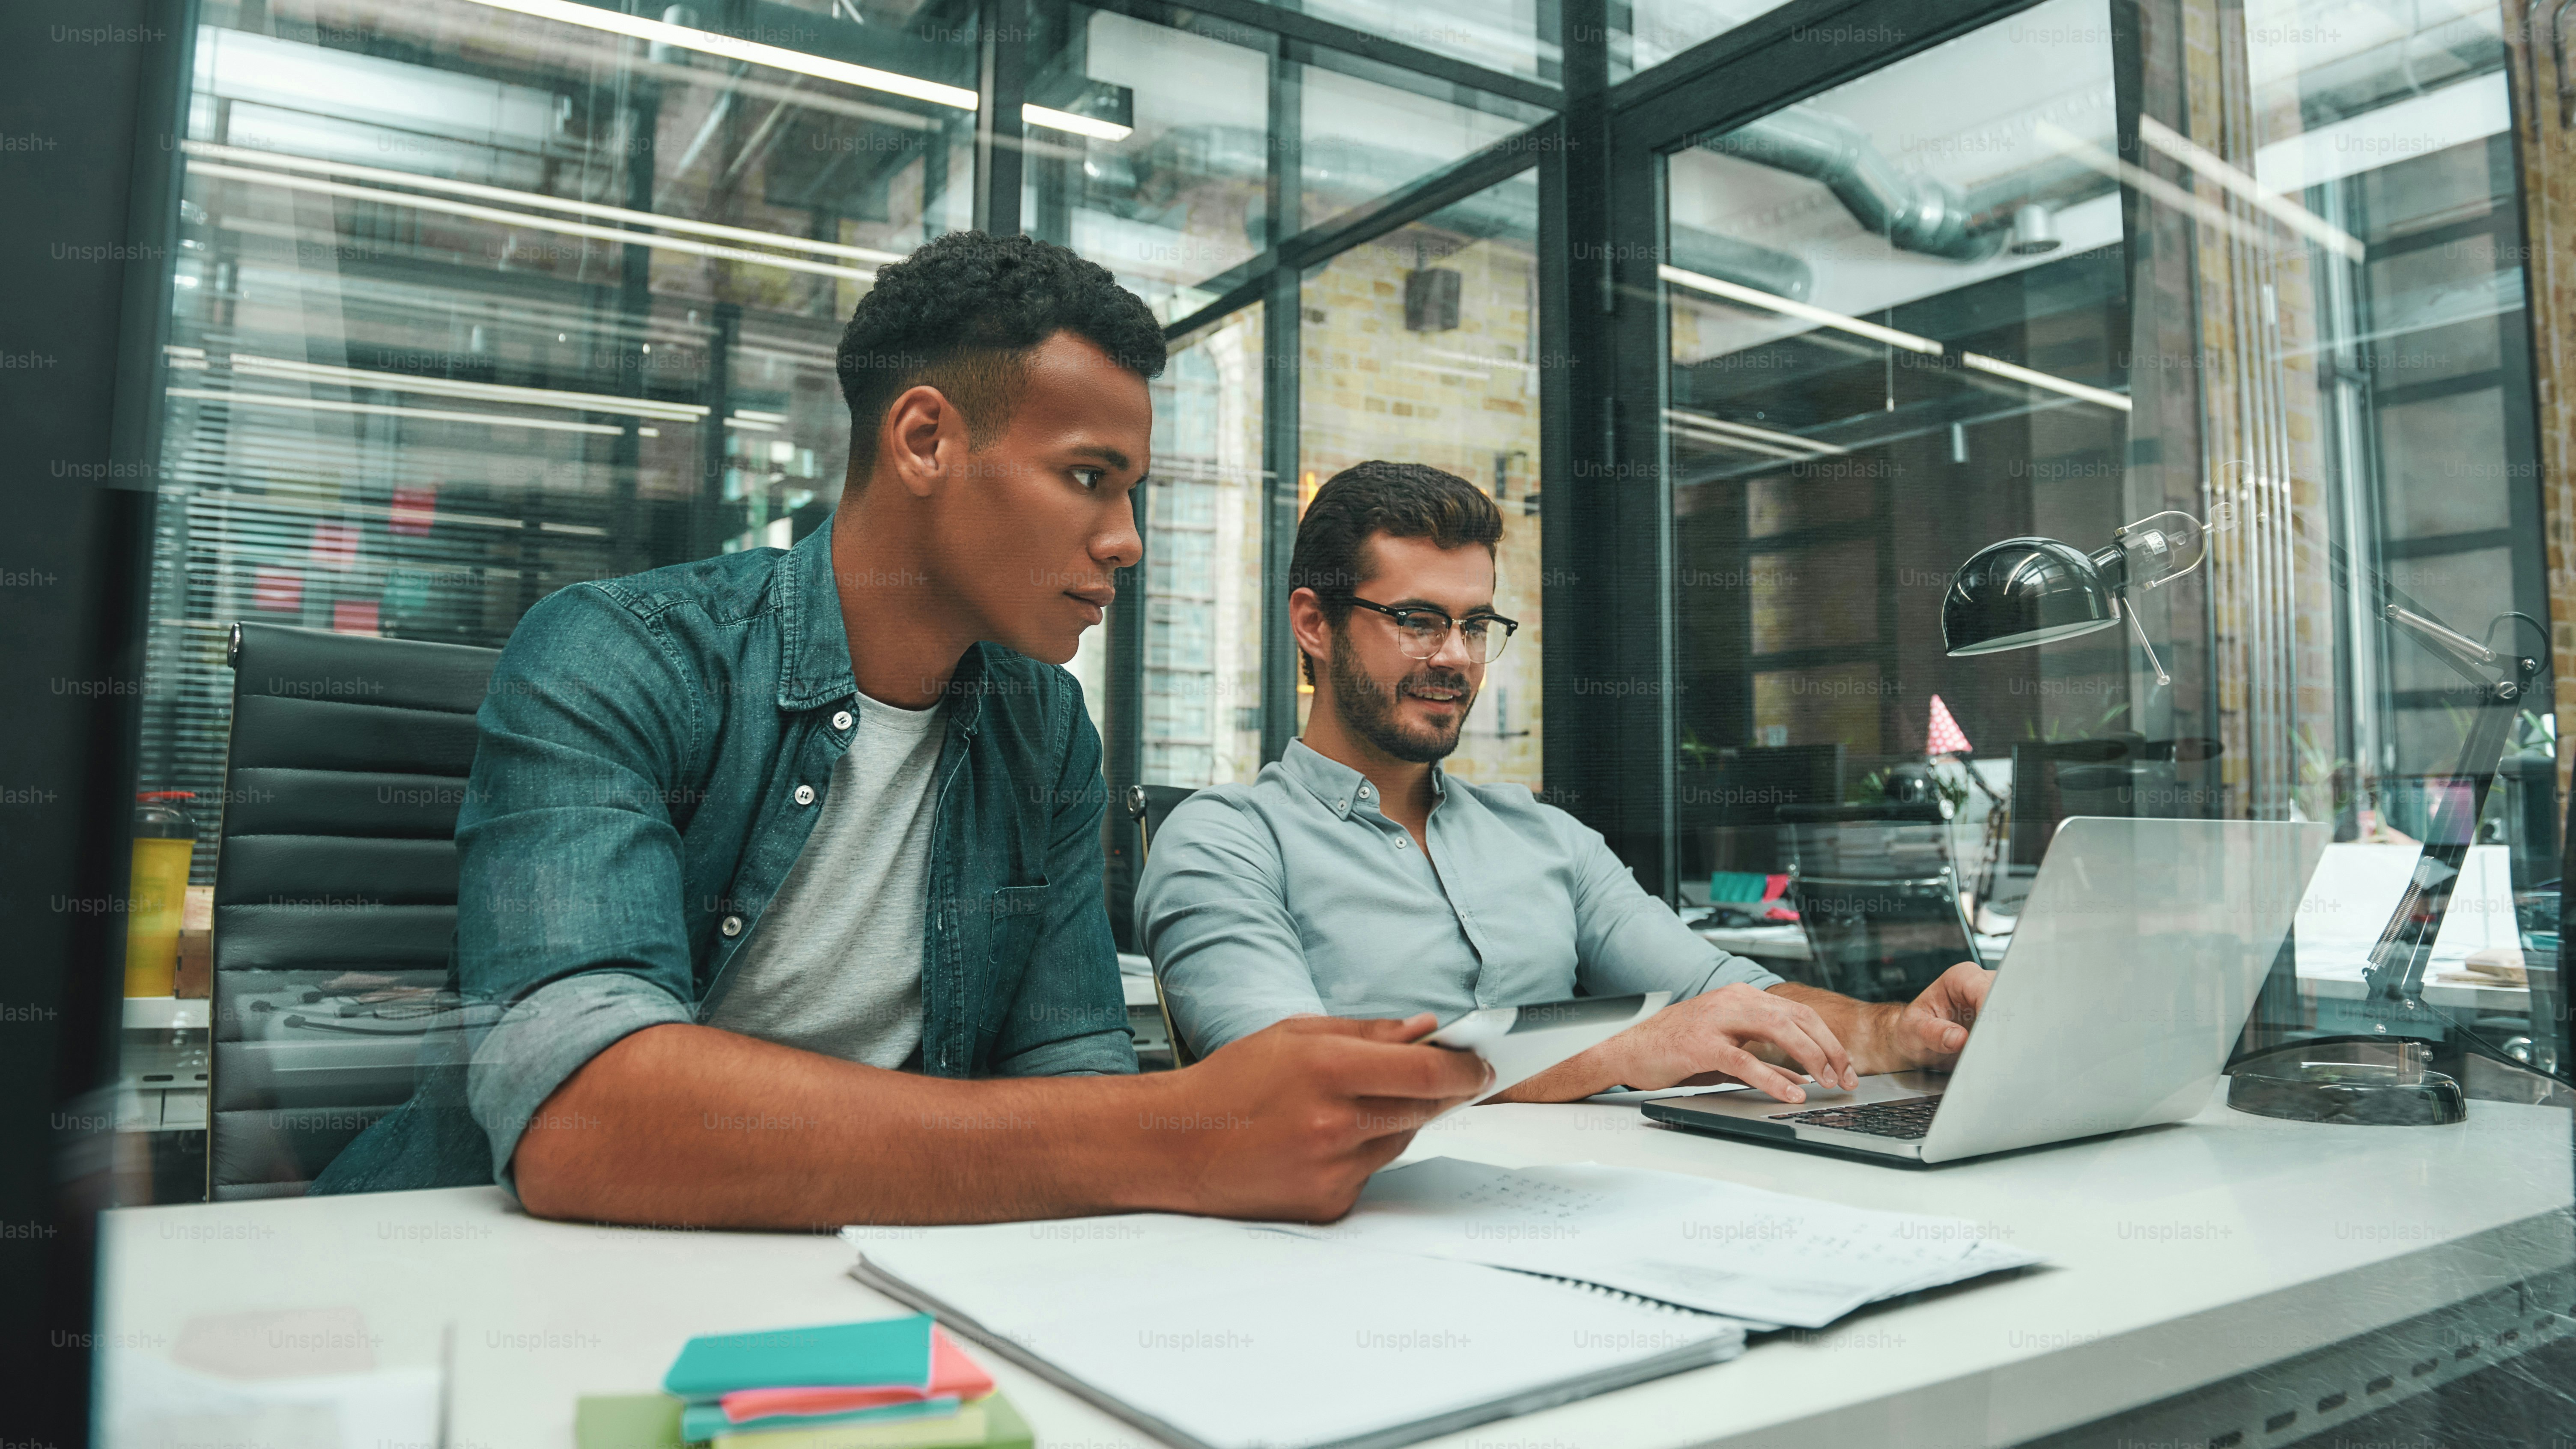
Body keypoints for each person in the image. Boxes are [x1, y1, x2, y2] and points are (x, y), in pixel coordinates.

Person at [314, 236, 1486, 1226]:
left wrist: (1146, 1140)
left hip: (886, 1270)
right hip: (511, 1283)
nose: (1125, 539)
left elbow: (1068, 1073)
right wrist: (1174, 1134)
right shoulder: (619, 654)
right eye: (1089, 478)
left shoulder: (1048, 732)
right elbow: (582, 1115)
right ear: (924, 441)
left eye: (1135, 494)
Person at [1136, 460, 1995, 1102]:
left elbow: (1725, 996)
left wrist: (1897, 1030)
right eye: (1416, 621)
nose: (1453, 657)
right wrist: (1617, 1055)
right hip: (1365, 1244)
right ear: (1313, 623)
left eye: (1475, 626)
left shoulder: (1541, 836)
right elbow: (1292, 1080)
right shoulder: (1223, 841)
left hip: (1590, 1212)